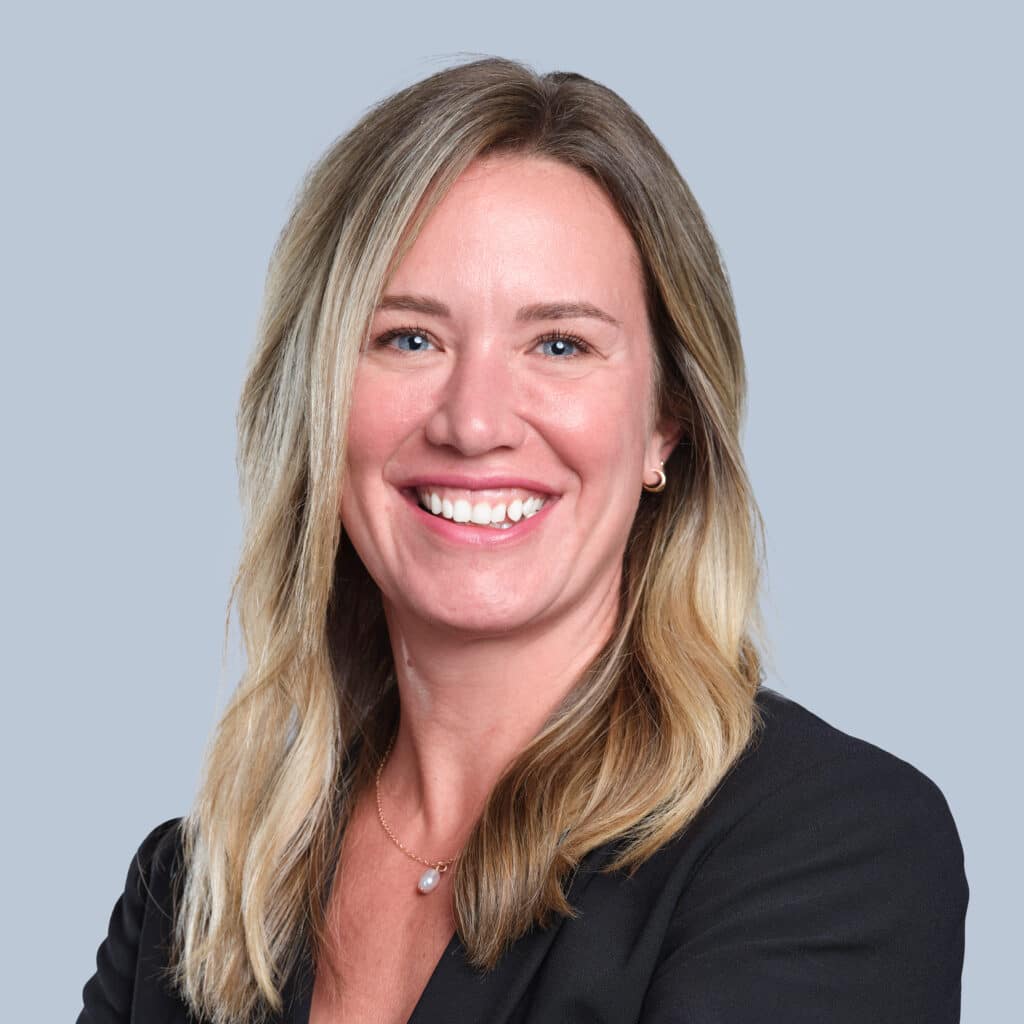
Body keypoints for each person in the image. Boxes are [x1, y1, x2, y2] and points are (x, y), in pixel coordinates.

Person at [78, 57, 968, 1024]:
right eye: (408, 339)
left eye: (560, 345)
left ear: (666, 425)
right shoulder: (193, 896)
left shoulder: (830, 846)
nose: (473, 422)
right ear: (318, 405)